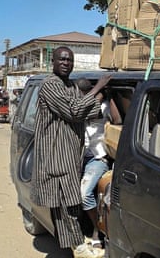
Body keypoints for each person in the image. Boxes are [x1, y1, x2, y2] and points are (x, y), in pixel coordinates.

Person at [31, 46, 110, 258]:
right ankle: (79, 247)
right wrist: (96, 89)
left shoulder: (69, 86)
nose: (67, 63)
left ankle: (77, 245)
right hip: (58, 154)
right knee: (68, 203)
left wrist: (99, 99)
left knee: (69, 204)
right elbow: (74, 110)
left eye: (70, 60)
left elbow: (86, 112)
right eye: (63, 60)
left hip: (72, 155)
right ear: (53, 62)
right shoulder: (50, 85)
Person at [76, 77, 121, 251]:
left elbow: (117, 121)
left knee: (84, 193)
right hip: (80, 157)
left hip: (98, 158)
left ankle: (98, 230)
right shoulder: (78, 108)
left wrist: (109, 97)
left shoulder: (102, 106)